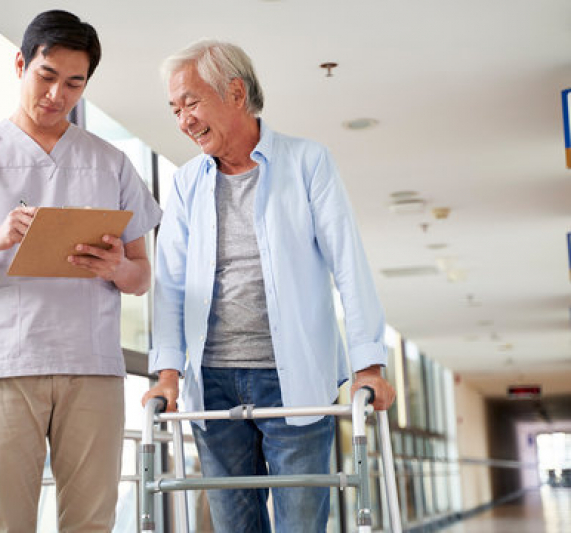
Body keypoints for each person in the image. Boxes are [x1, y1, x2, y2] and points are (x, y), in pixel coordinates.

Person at [0, 10, 161, 532]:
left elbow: (141, 276)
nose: (57, 94)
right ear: (21, 64)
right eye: (46, 76)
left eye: (74, 83)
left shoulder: (110, 163)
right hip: (2, 366)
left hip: (91, 367)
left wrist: (116, 267)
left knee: (91, 523)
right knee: (5, 523)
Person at [142, 40, 395, 532]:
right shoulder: (187, 182)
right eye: (175, 110)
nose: (184, 121)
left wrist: (369, 367)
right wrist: (168, 376)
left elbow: (349, 264)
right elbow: (171, 283)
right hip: (211, 383)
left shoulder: (307, 163)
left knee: (300, 524)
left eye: (191, 103)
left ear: (236, 92)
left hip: (292, 378)